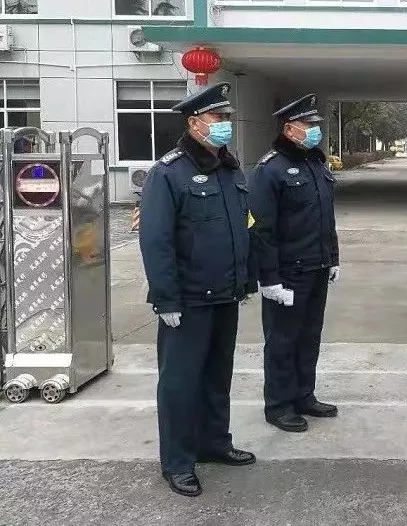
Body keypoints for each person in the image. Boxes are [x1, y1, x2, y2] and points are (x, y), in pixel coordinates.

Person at [139, 82, 257, 498]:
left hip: (225, 294)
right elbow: (156, 241)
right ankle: (177, 462)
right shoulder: (168, 173)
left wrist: (245, 279)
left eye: (227, 118)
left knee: (216, 376)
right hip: (187, 300)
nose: (225, 124)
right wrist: (165, 297)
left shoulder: (230, 169)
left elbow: (242, 228)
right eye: (217, 117)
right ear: (194, 123)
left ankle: (213, 443)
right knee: (180, 383)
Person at [249, 93, 340, 433]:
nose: (315, 130)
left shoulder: (315, 164)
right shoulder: (270, 169)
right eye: (308, 124)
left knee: (309, 336)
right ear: (289, 129)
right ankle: (278, 405)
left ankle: (304, 395)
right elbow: (262, 228)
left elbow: (326, 217)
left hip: (317, 267)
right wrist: (269, 278)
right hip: (288, 272)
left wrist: (333, 258)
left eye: (316, 124)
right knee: (282, 340)